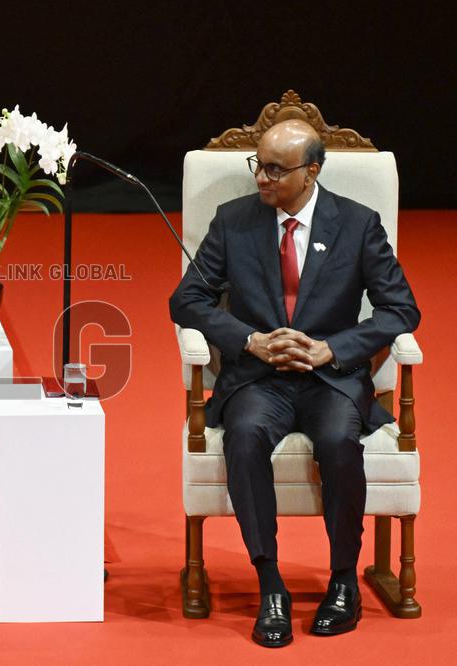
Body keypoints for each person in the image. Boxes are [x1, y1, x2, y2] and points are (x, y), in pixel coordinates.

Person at [169, 120, 419, 647]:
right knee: (244, 437)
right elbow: (185, 300)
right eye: (258, 165)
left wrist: (334, 348)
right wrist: (250, 340)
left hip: (330, 379)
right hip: (258, 379)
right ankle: (270, 584)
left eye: (275, 170)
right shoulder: (234, 221)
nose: (261, 177)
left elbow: (402, 309)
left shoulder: (357, 224)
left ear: (312, 171)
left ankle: (344, 580)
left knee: (338, 441)